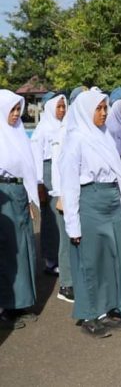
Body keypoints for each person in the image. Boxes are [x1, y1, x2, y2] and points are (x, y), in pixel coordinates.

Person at [60, 89, 121, 338]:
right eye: (99, 108)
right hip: (90, 202)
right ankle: (90, 314)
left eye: (105, 108)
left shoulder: (105, 136)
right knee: (90, 261)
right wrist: (73, 225)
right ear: (85, 110)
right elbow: (69, 185)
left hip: (111, 200)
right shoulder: (76, 140)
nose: (104, 113)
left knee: (113, 257)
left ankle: (111, 307)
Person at [0, 90, 40, 330]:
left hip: (19, 194)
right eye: (12, 110)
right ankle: (6, 305)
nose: (16, 114)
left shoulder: (18, 135)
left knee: (23, 246)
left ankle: (21, 302)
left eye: (18, 110)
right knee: (6, 249)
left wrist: (29, 199)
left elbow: (27, 169)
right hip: (3, 195)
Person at [30, 91, 67, 277]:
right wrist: (39, 184)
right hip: (47, 173)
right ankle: (50, 260)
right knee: (51, 219)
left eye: (64, 106)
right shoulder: (43, 129)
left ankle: (62, 258)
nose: (62, 110)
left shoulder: (65, 126)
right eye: (58, 107)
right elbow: (36, 157)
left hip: (60, 171)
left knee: (62, 218)